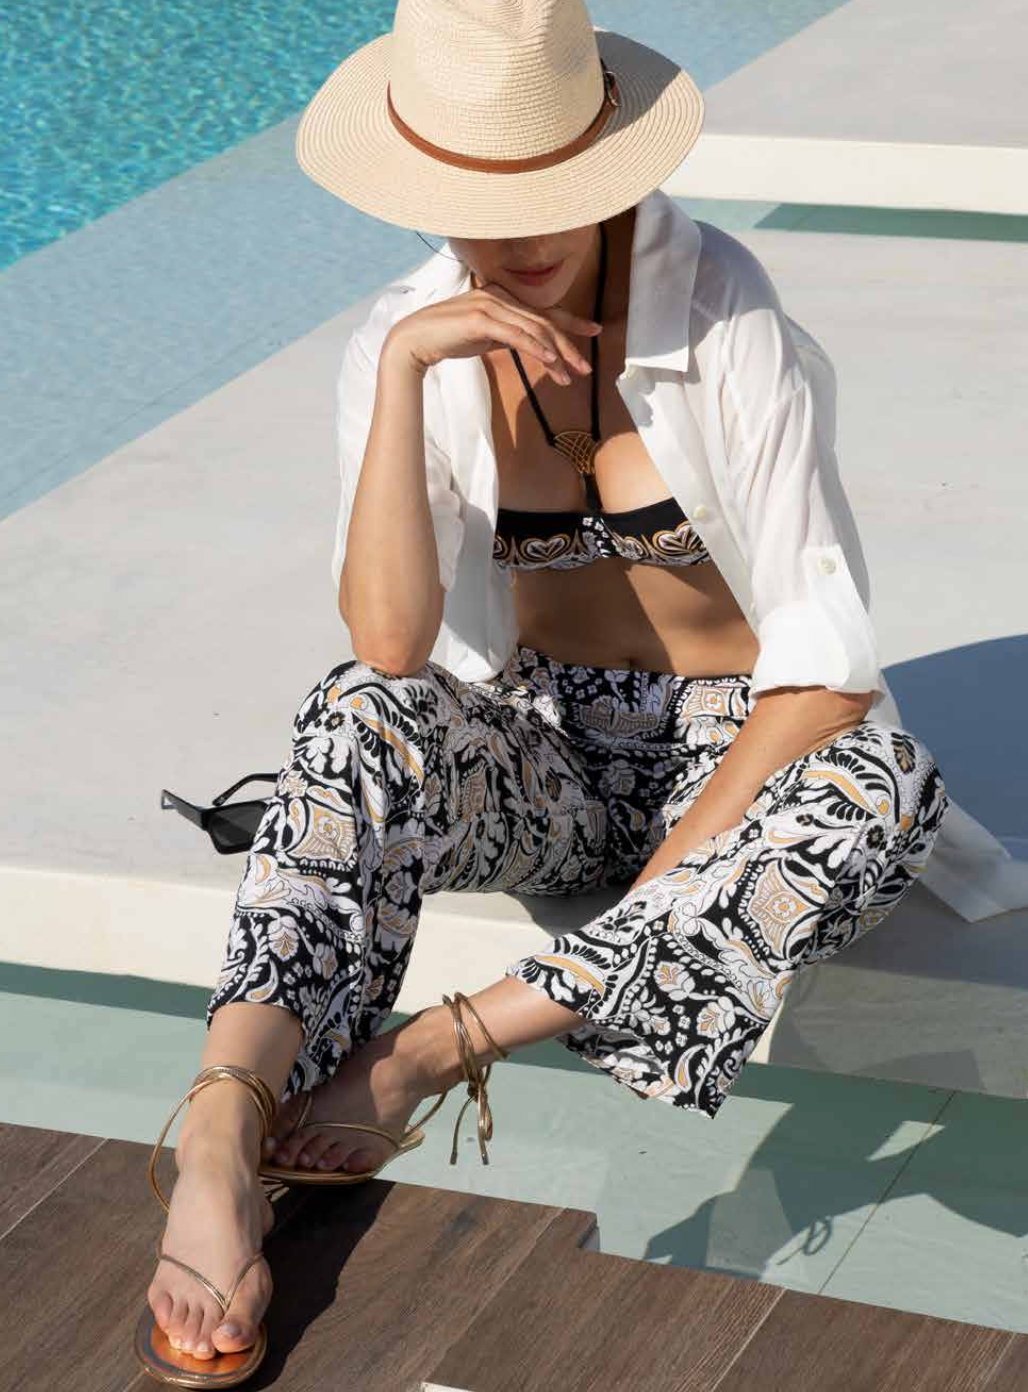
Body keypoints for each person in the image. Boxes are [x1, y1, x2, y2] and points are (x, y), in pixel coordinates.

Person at [136, 1, 951, 1385]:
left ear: (610, 161)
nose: (506, 234)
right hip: (550, 748)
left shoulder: (726, 304)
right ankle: (219, 1128)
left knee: (881, 793)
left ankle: (432, 1055)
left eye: (540, 196)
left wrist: (648, 903)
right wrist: (405, 372)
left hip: (742, 736)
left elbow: (821, 668)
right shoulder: (410, 328)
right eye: (465, 201)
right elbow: (395, 650)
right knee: (354, 714)